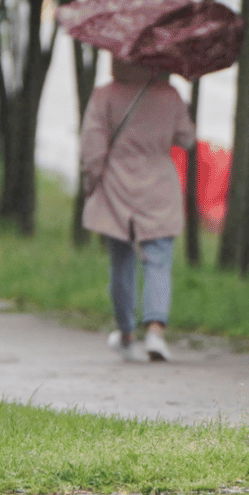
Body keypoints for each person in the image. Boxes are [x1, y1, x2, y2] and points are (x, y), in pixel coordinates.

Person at [79, 57, 196, 363]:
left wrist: (91, 183)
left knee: (121, 262)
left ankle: (127, 333)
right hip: (159, 186)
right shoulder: (169, 95)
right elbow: (187, 138)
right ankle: (156, 331)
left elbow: (92, 149)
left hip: (117, 187)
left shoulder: (104, 95)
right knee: (158, 260)